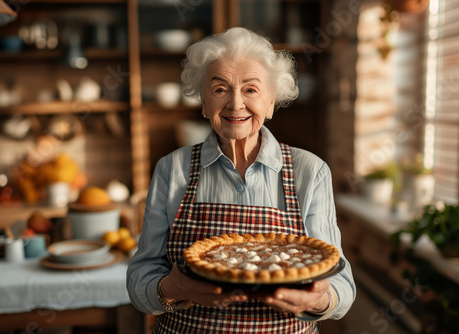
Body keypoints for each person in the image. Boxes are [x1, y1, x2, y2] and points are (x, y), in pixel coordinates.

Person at [127, 27, 355, 333]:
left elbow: (340, 283)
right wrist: (174, 288)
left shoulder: (310, 171)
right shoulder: (172, 169)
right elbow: (140, 277)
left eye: (251, 89)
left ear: (271, 101)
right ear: (204, 102)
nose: (235, 104)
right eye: (220, 89)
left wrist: (317, 301)